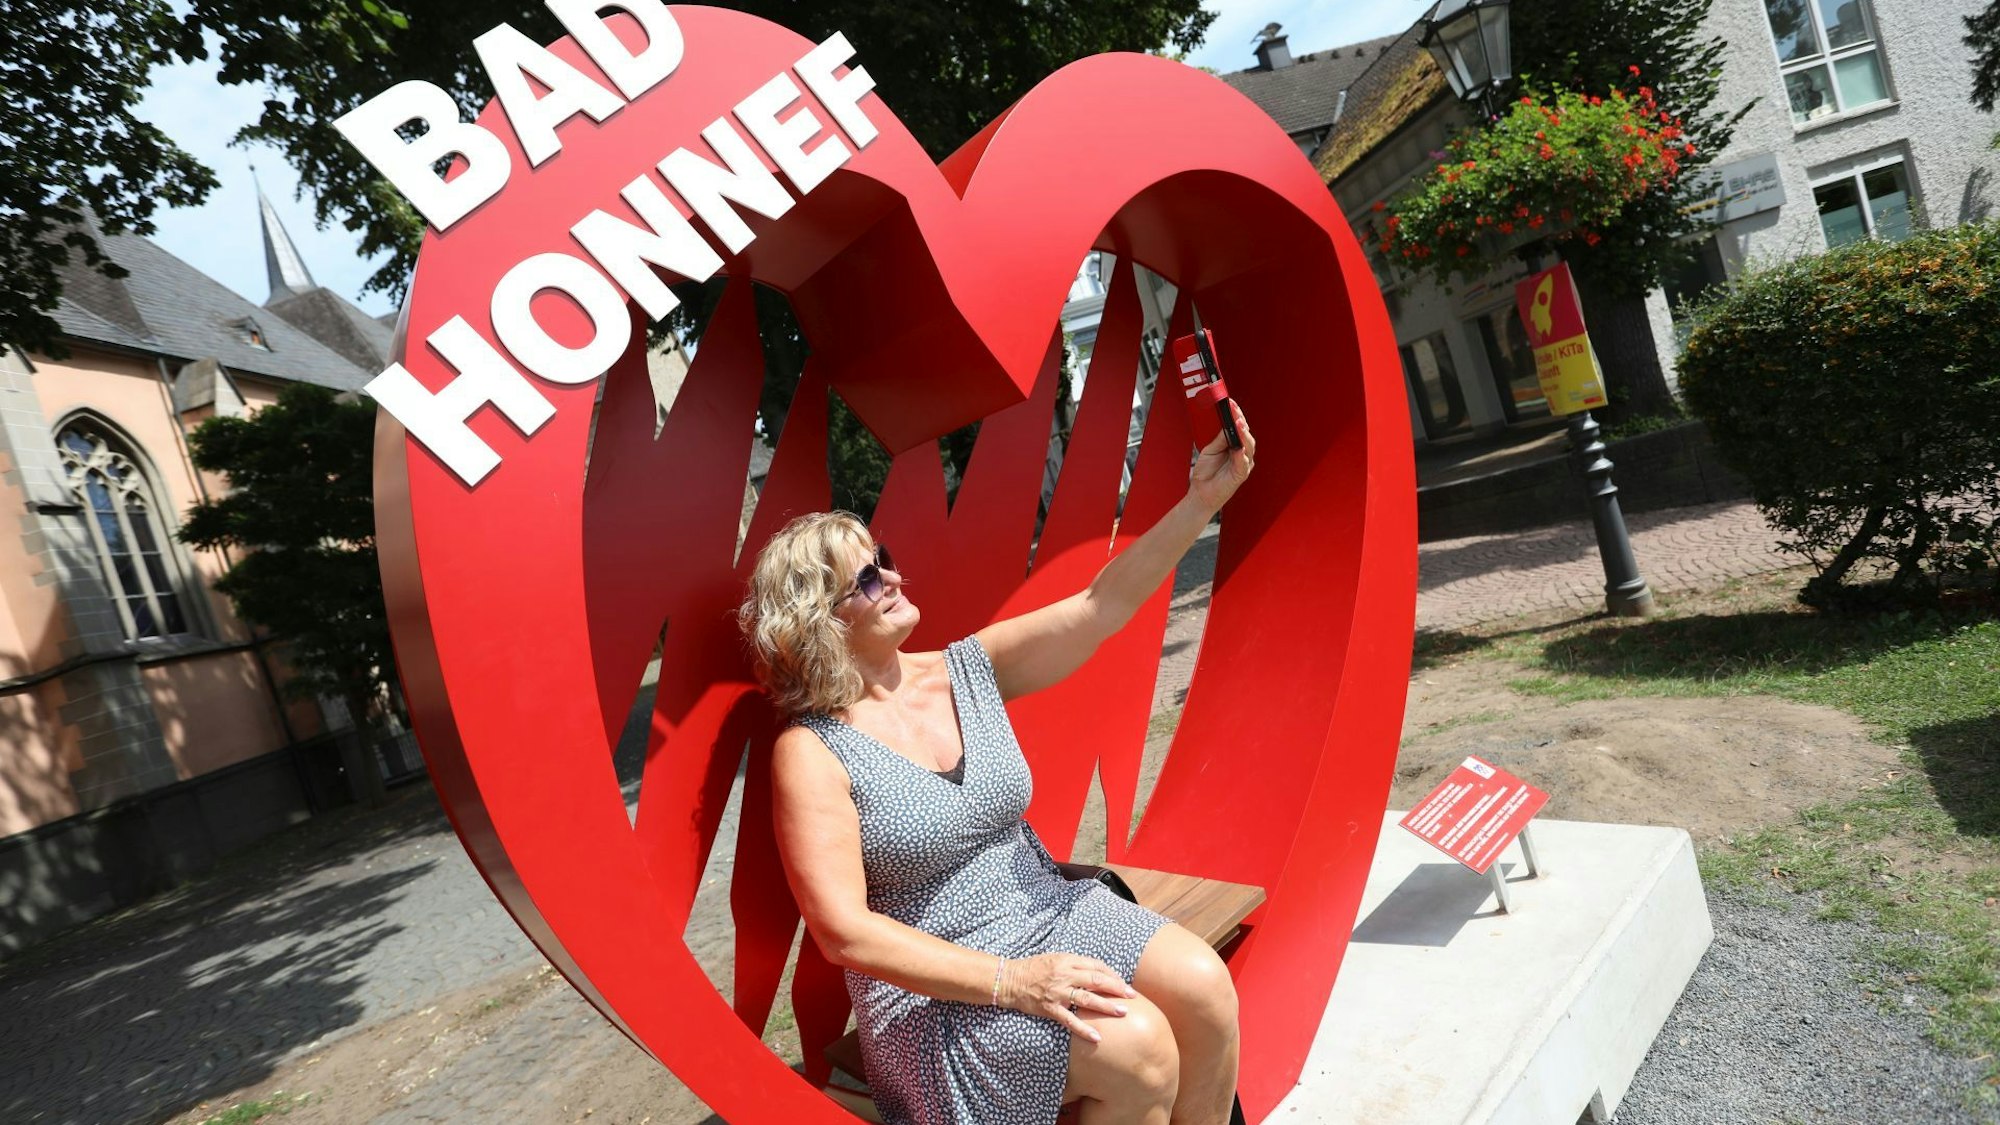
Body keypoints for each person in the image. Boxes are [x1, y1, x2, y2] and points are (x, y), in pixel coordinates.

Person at [738, 403, 1257, 1125]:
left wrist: (1205, 498)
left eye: (881, 558)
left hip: (1045, 909)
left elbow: (1099, 606)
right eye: (865, 580)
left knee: (1207, 989)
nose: (891, 577)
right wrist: (1011, 980)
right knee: (1140, 1053)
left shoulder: (962, 670)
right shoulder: (813, 750)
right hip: (936, 990)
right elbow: (844, 931)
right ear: (817, 622)